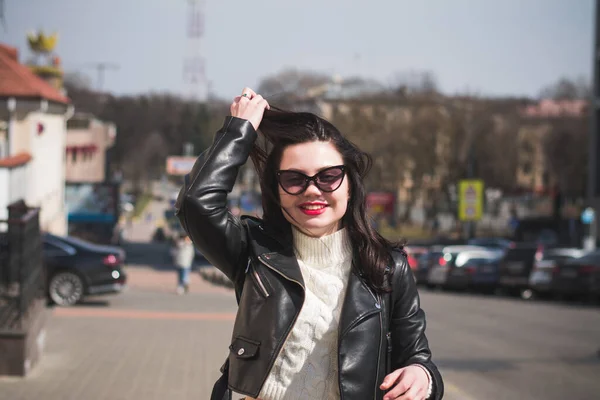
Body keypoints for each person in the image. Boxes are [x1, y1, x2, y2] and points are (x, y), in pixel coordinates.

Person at [175, 87, 443, 400]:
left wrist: (422, 377)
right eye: (294, 179)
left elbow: (418, 358)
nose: (312, 190)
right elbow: (196, 204)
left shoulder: (387, 266)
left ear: (349, 187)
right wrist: (238, 130)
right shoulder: (255, 252)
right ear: (277, 190)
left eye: (328, 176)